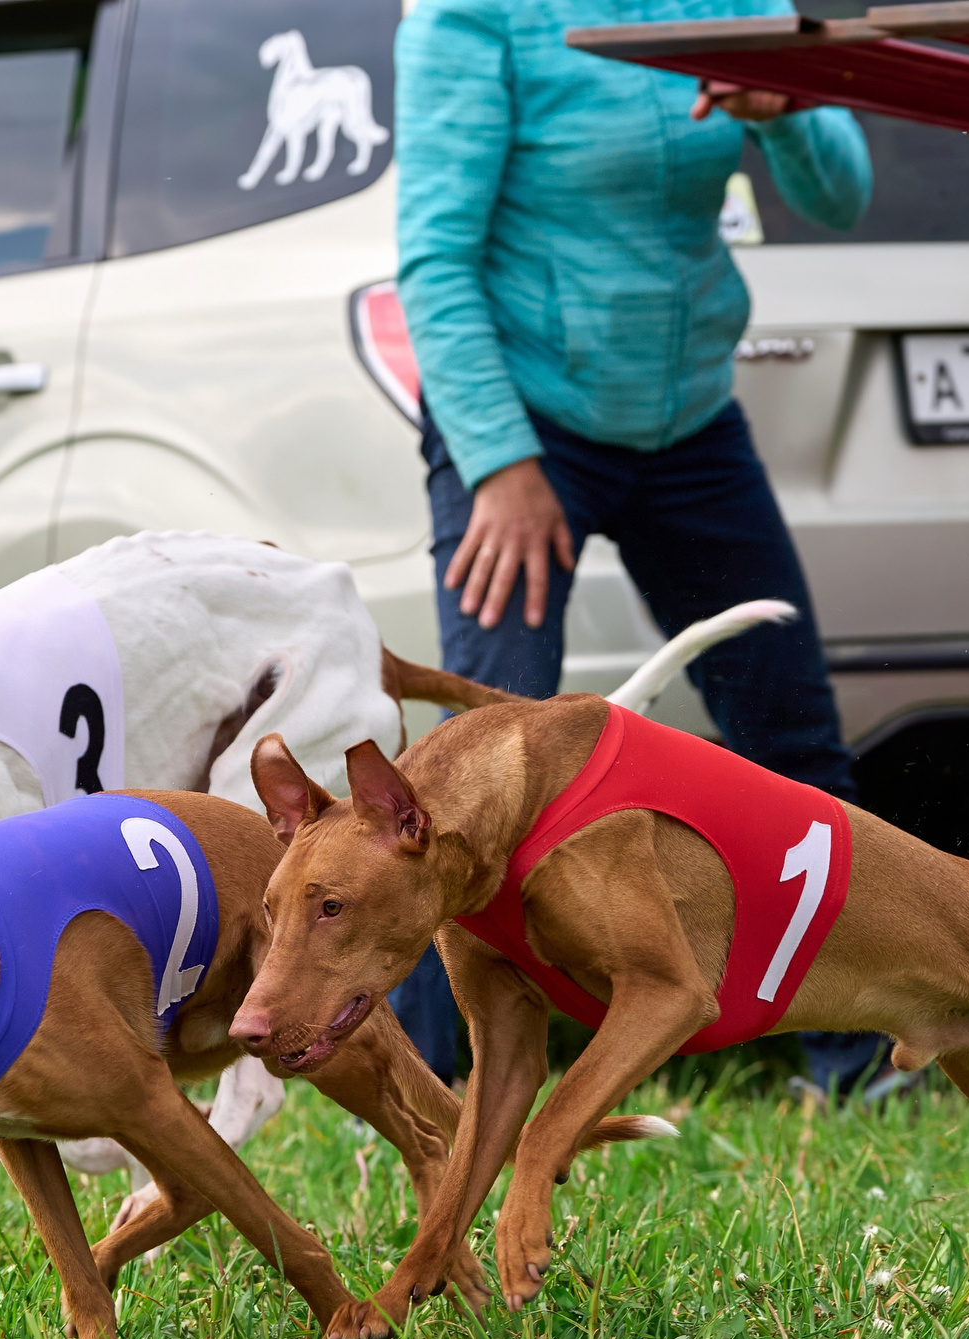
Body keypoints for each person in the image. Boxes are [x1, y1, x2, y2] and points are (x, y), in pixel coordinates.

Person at [389, 0, 891, 1099]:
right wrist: (500, 464)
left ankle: (856, 1067)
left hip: (689, 424)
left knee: (789, 734)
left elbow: (839, 193)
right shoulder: (471, 20)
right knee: (476, 768)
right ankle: (422, 1082)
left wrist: (784, 111)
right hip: (524, 426)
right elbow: (433, 258)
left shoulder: (736, 3)